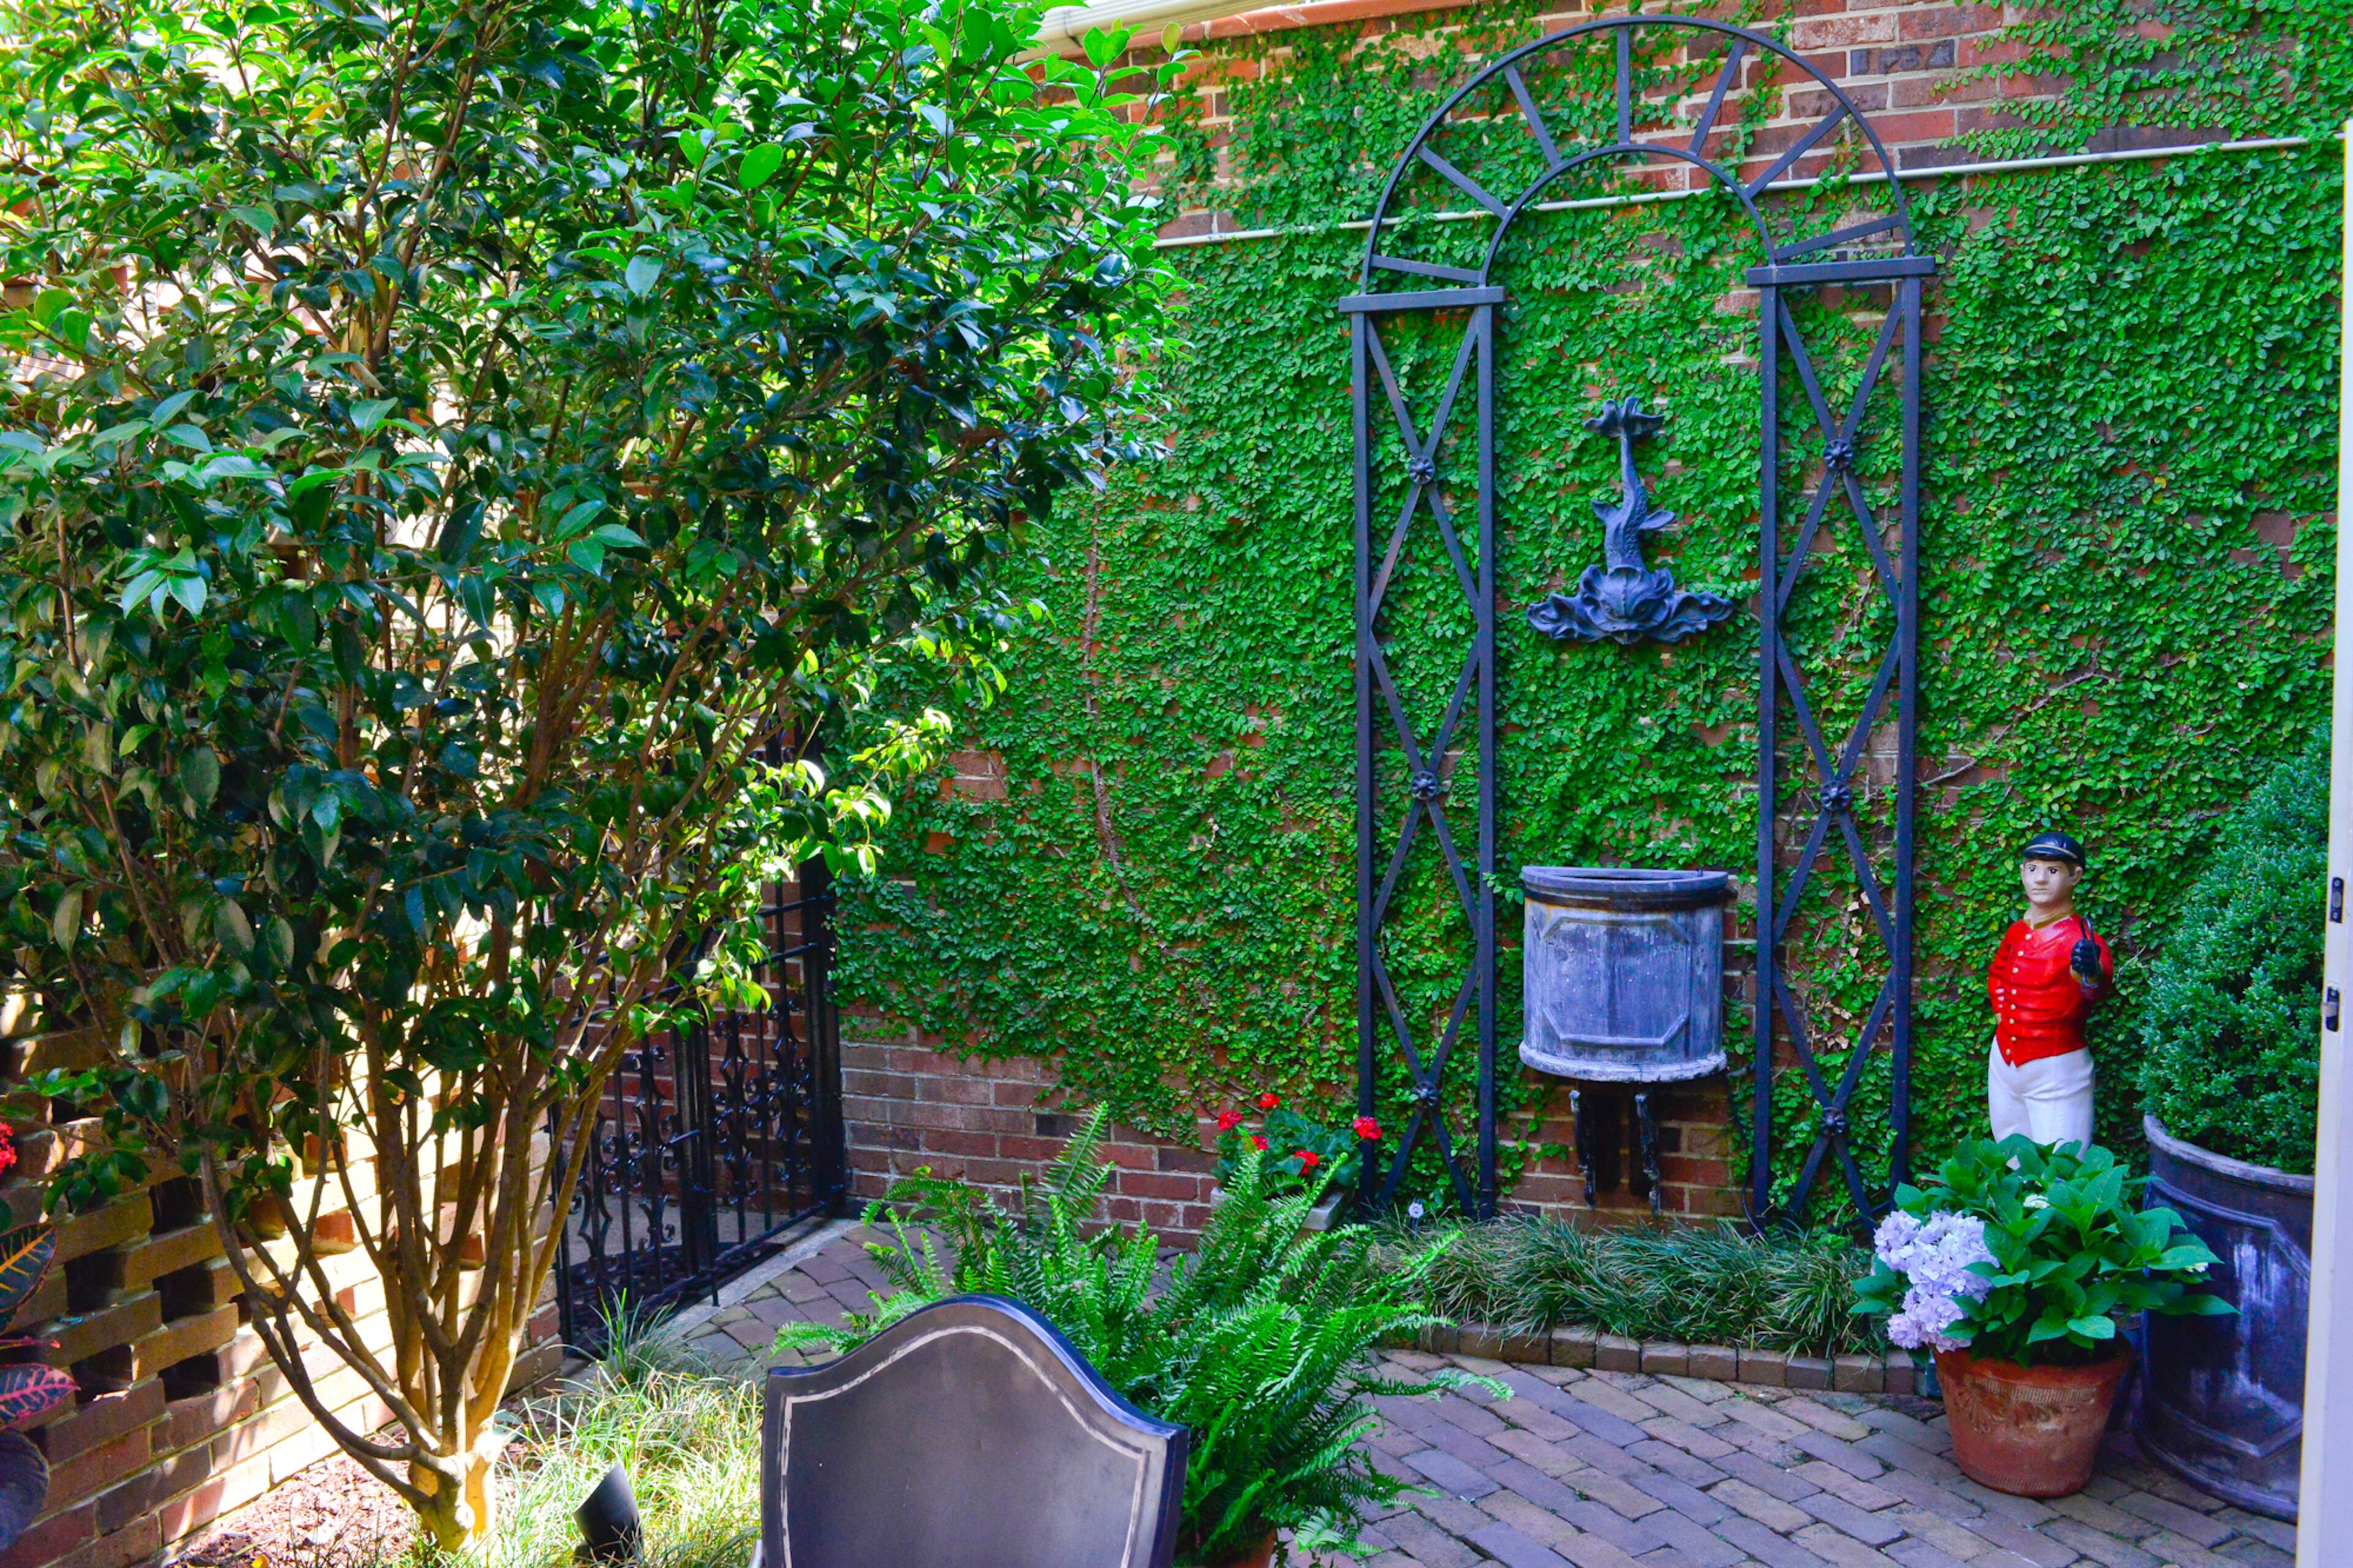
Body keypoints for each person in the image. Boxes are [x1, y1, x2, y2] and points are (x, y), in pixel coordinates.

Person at [1985, 830, 2113, 1149]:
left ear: (2075, 877)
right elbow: (1998, 976)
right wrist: (2004, 1015)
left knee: (2060, 1159)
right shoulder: (2018, 931)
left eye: (2053, 871)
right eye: (2032, 869)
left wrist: (2089, 972)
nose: (2040, 879)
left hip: (2055, 1065)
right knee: (2012, 1149)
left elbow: (2096, 989)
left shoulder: (2081, 939)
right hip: (2005, 1060)